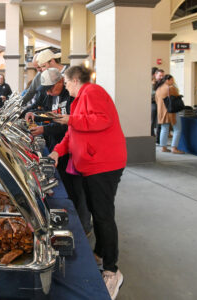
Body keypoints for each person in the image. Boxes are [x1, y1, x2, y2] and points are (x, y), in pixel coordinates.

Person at [48, 65, 127, 299]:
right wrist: (57, 152)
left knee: (103, 215)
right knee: (96, 211)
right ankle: (100, 252)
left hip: (104, 164)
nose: (66, 86)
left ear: (74, 79)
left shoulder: (92, 92)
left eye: (66, 81)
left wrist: (70, 119)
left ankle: (112, 270)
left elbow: (102, 119)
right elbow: (72, 133)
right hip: (92, 165)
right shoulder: (78, 100)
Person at [24, 69, 92, 235]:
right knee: (67, 187)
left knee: (79, 191)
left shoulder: (72, 96)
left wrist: (44, 129)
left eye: (50, 88)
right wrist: (35, 115)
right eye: (46, 89)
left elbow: (66, 122)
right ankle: (72, 220)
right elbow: (50, 113)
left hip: (74, 149)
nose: (48, 92)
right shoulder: (49, 94)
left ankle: (83, 227)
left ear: (62, 82)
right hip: (59, 147)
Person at [155, 74, 184, 154]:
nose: (173, 82)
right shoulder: (171, 88)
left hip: (161, 111)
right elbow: (177, 96)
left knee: (164, 129)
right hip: (171, 111)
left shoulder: (158, 89)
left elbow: (157, 100)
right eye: (172, 80)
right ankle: (174, 148)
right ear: (167, 80)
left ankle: (163, 147)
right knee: (177, 129)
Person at [152, 68, 165, 140]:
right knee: (152, 121)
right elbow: (151, 94)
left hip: (161, 104)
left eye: (163, 75)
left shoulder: (163, 83)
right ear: (155, 75)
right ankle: (151, 136)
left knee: (160, 121)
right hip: (153, 103)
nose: (161, 77)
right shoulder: (152, 83)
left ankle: (158, 138)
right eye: (160, 75)